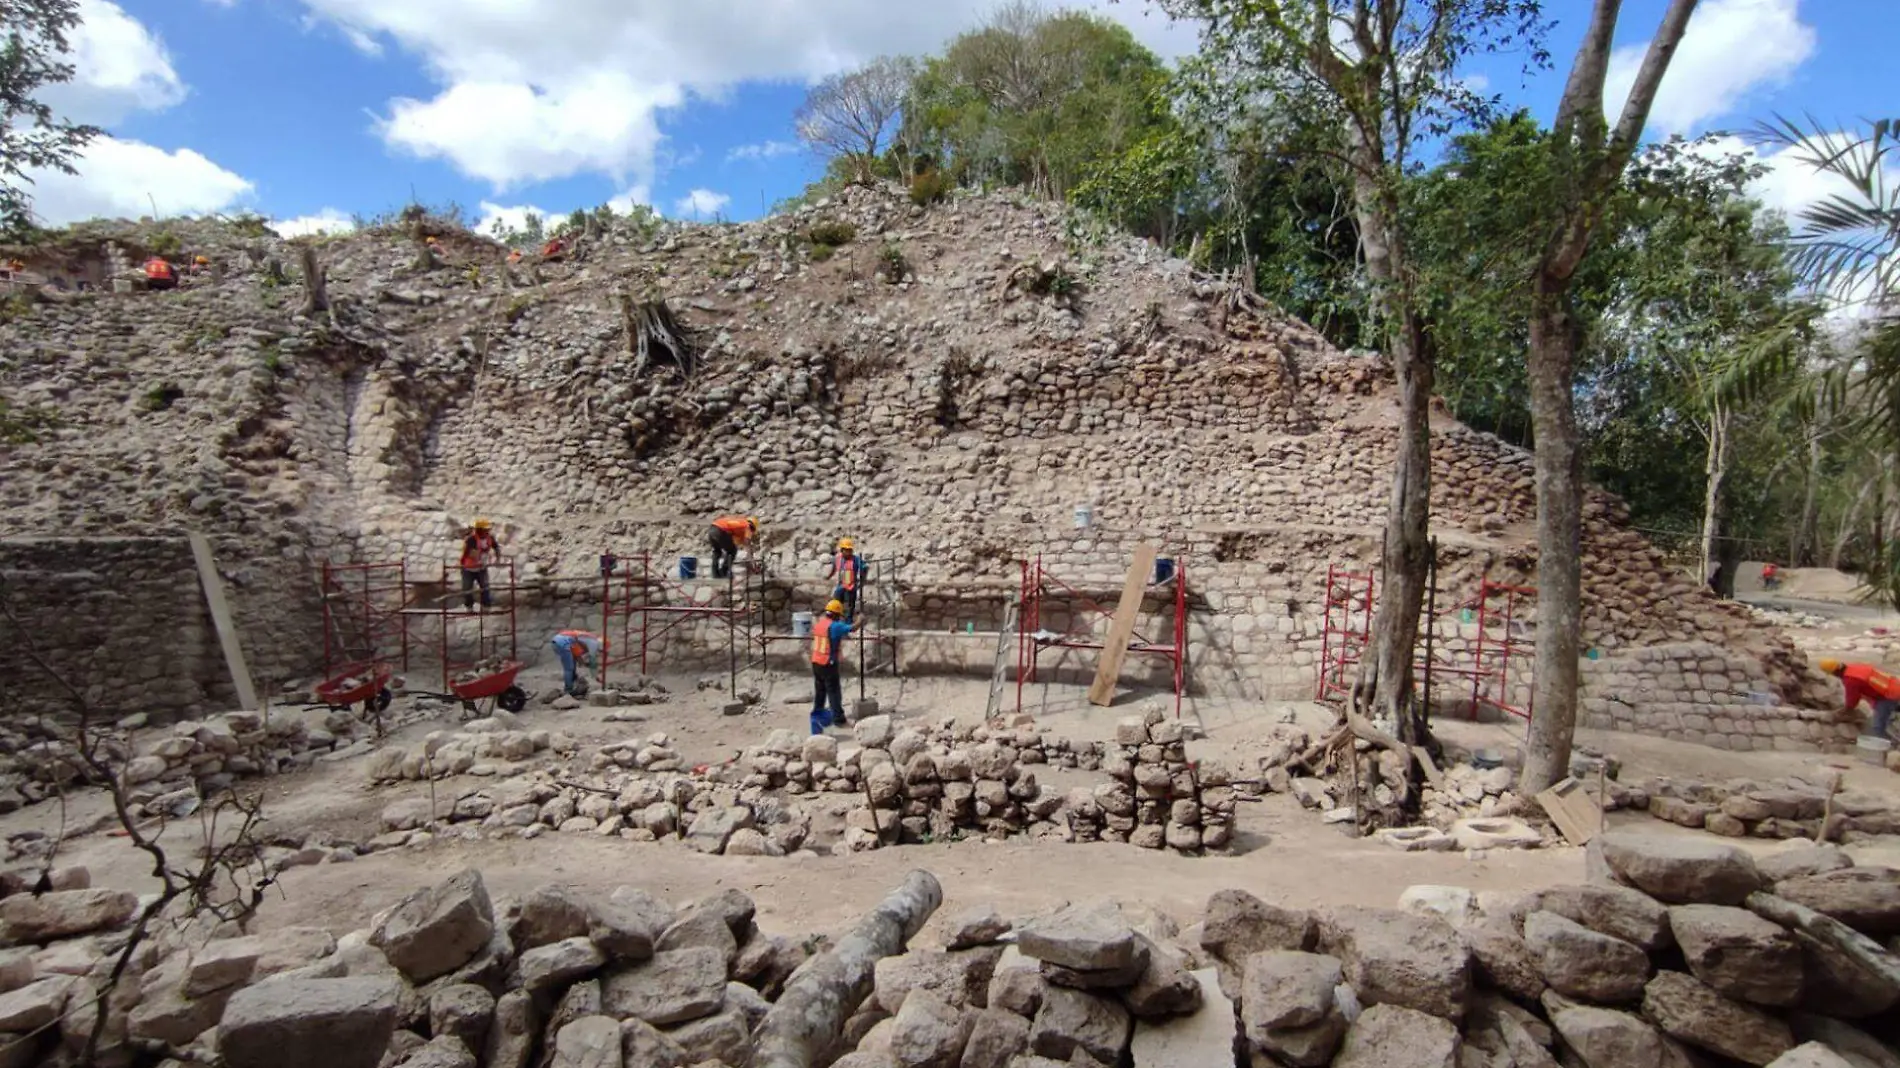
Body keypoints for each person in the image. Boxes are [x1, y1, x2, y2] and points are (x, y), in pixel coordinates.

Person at [1819, 658, 1900, 740]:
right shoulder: (1854, 667)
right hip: (1894, 685)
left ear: (1834, 672)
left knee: (1878, 727)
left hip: (1888, 695)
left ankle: (1887, 746)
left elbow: (1851, 703)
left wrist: (1839, 714)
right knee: (1888, 713)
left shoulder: (1850, 680)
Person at [809, 599, 856, 734]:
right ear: (836, 614)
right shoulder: (834, 626)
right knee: (834, 692)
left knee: (820, 691)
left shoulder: (819, 624)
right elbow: (852, 628)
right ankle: (839, 719)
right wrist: (861, 620)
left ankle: (818, 717)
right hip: (828, 664)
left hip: (816, 662)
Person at [460, 518, 502, 610]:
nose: (488, 531)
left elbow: (496, 548)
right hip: (468, 568)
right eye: (485, 529)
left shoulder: (490, 538)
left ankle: (486, 607)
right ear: (479, 530)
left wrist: (498, 559)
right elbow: (470, 553)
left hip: (481, 568)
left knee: (485, 587)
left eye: (488, 529)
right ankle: (469, 606)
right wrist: (481, 555)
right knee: (467, 589)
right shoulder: (471, 539)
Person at [550, 629, 604, 698]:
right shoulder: (591, 642)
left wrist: (583, 663)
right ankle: (568, 690)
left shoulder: (583, 638)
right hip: (563, 643)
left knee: (571, 664)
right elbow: (582, 658)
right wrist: (594, 674)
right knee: (569, 668)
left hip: (557, 641)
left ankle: (572, 684)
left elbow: (577, 656)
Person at [826, 537, 866, 623]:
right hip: (841, 585)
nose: (849, 552)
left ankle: (848, 623)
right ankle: (835, 621)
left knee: (849, 606)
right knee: (835, 603)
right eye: (847, 550)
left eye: (850, 550)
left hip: (850, 587)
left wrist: (862, 580)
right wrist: (828, 577)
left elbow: (865, 567)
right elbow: (834, 568)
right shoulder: (838, 558)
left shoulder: (855, 559)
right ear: (842, 550)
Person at [708, 515, 758, 580]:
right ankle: (724, 571)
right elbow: (747, 544)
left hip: (712, 529)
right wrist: (751, 561)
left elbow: (736, 541)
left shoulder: (740, 523)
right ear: (753, 527)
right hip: (721, 530)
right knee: (732, 550)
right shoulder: (748, 526)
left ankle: (715, 574)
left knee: (717, 551)